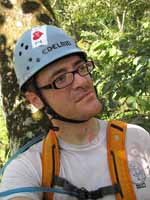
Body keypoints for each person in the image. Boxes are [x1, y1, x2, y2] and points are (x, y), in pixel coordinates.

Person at [0, 25, 150, 200]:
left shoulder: (136, 139)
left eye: (81, 68)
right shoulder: (29, 167)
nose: (82, 81)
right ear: (35, 99)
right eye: (60, 78)